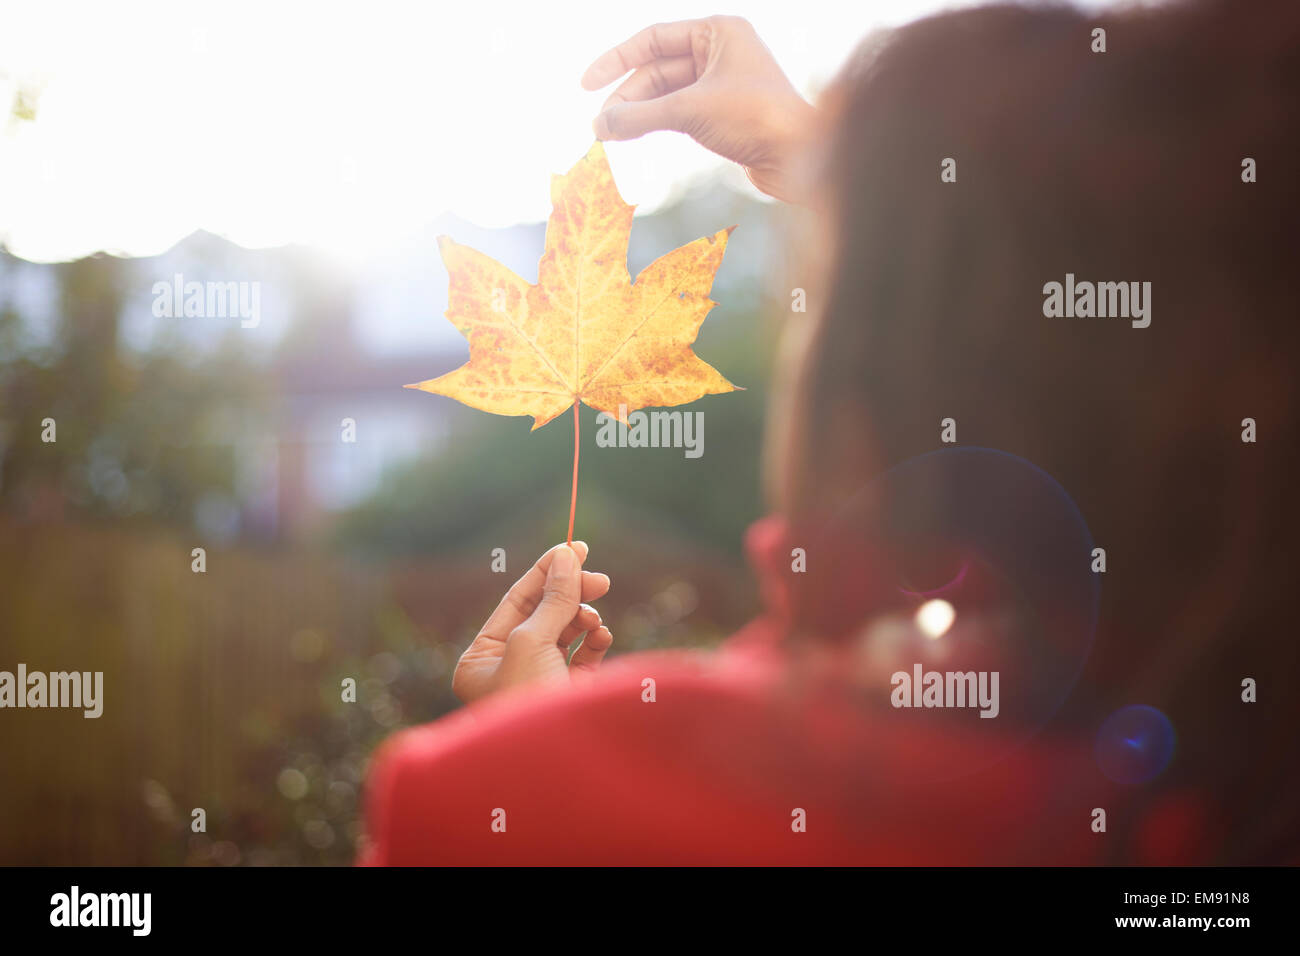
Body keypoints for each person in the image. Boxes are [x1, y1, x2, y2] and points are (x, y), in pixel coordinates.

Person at [361, 2, 1299, 865]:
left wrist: (529, 767)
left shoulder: (507, 802)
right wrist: (841, 169)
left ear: (859, 393)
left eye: (811, 294)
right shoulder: (1225, 742)